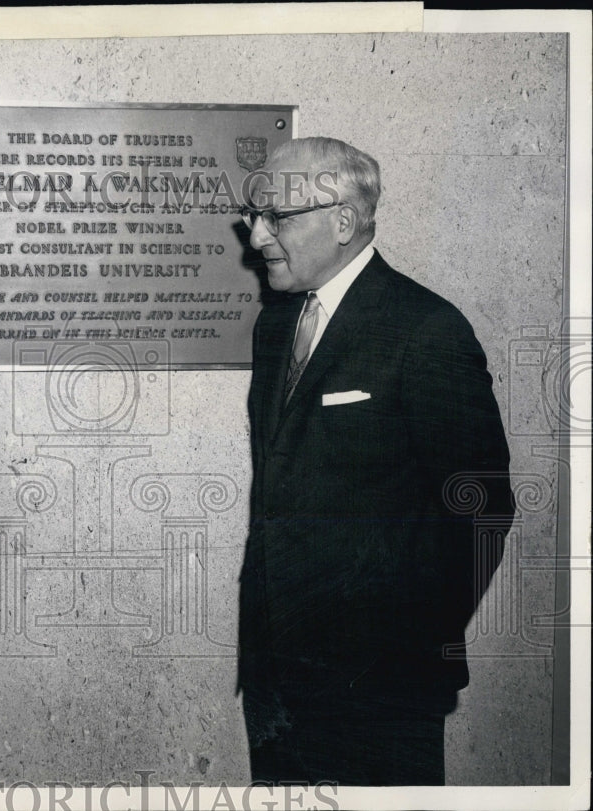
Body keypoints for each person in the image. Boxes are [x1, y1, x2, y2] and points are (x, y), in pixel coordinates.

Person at [237, 137, 515, 785]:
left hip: (381, 691)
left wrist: (402, 642)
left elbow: (482, 509)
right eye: (253, 216)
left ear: (342, 222)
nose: (254, 237)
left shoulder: (425, 330)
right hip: (278, 683)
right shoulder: (275, 326)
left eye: (276, 218)